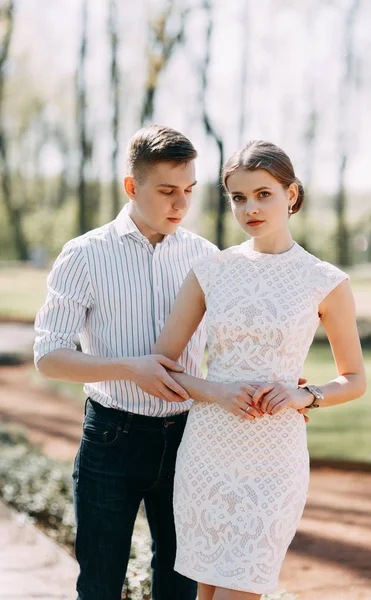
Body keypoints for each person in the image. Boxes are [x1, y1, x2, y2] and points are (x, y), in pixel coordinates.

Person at [152, 140, 366, 600]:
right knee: (205, 593)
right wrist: (216, 391)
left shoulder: (325, 281)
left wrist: (303, 396)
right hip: (208, 450)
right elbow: (162, 367)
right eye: (238, 197)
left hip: (275, 460)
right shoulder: (209, 271)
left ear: (291, 195)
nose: (250, 208)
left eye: (263, 194)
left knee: (243, 588)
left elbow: (354, 378)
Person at [33, 125, 220, 600]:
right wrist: (130, 368)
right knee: (99, 584)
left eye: (189, 191)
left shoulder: (207, 257)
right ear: (132, 187)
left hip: (188, 439)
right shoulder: (84, 255)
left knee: (179, 587)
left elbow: (228, 348)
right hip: (111, 439)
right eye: (167, 191)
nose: (181, 205)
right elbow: (49, 356)